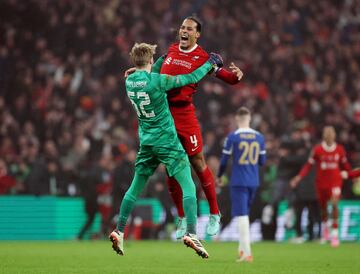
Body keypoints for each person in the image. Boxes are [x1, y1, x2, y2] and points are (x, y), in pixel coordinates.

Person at [109, 42, 223, 258]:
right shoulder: (159, 81)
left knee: (135, 188)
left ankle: (119, 230)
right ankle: (191, 233)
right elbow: (190, 78)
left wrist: (159, 59)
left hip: (146, 143)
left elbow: (143, 71)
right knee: (188, 184)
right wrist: (208, 64)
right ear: (151, 61)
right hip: (167, 142)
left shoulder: (129, 81)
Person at [150, 16, 243, 238]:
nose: (184, 31)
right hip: (165, 115)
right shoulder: (171, 51)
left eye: (189, 28)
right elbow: (153, 70)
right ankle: (180, 217)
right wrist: (138, 72)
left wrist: (236, 76)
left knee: (198, 161)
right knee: (170, 167)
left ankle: (214, 212)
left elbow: (225, 77)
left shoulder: (203, 58)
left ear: (197, 34)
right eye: (182, 27)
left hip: (184, 115)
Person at [216, 107, 266, 263]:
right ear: (249, 118)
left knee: (242, 216)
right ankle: (241, 249)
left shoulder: (233, 137)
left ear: (237, 119)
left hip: (238, 181)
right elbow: (262, 162)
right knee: (245, 215)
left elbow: (224, 161)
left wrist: (219, 175)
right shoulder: (259, 137)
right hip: (254, 181)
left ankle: (247, 253)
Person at [290, 126, 351, 247]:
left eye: (331, 134)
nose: (329, 136)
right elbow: (308, 165)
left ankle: (334, 235)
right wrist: (299, 177)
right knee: (323, 208)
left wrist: (353, 175)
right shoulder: (317, 150)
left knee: (334, 204)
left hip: (335, 182)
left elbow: (345, 165)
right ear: (324, 136)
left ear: (334, 136)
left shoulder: (339, 150)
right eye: (327, 134)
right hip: (322, 183)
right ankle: (326, 229)